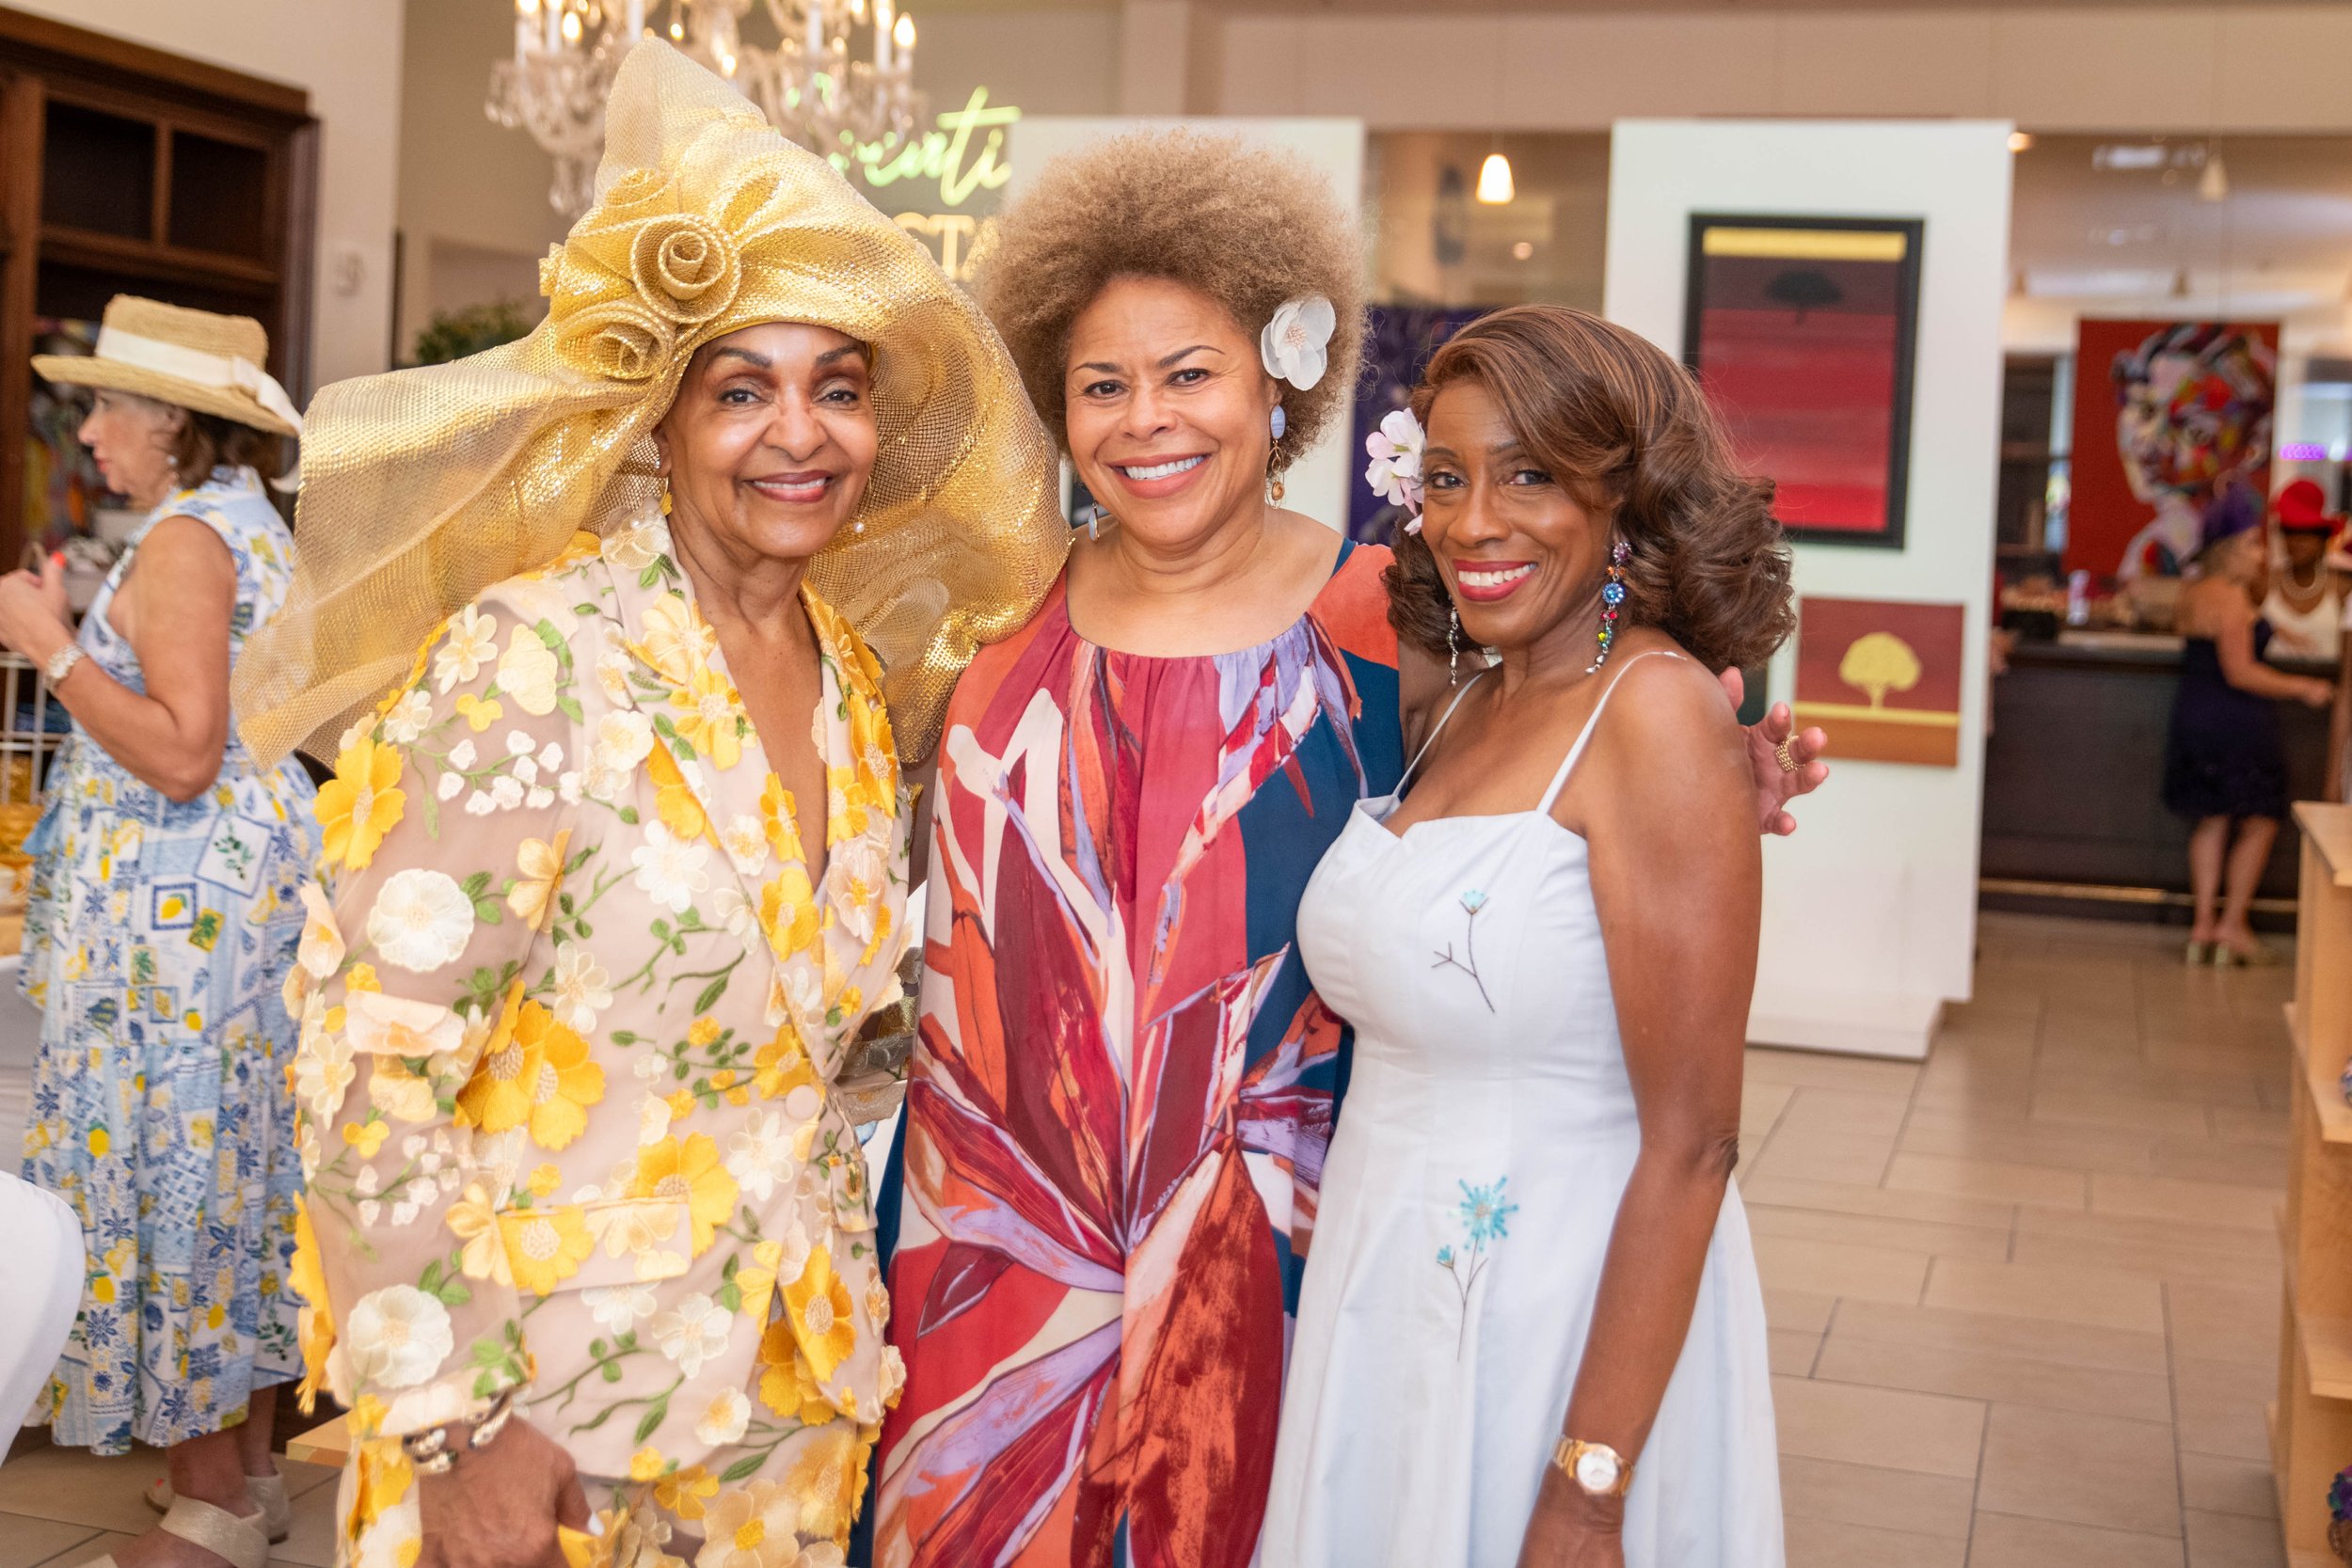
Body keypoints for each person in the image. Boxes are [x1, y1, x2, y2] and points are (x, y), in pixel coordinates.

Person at [867, 133, 1826, 1568]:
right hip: (997, 1245)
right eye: (1102, 385)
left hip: (1291, 1253)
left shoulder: (1395, 617)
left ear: (1280, 376)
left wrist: (1712, 754)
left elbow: (1570, 736)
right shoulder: (986, 618)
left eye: (1189, 373)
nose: (1147, 420)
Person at [229, 44, 1065, 1568]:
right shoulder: (537, 661)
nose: (799, 435)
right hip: (538, 1429)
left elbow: (829, 1063)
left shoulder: (850, 688)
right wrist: (458, 1427)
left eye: (839, 389)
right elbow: (368, 1077)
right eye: (742, 391)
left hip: (783, 1415)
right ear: (658, 425)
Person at [1262, 305, 1788, 1568]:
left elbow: (1697, 1141)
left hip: (1558, 1322)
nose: (1476, 519)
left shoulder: (1651, 714)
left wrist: (1590, 1487)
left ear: (1625, 498)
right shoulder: (1463, 696)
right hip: (1386, 1293)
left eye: (1532, 475)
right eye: (1446, 478)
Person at [0, 296, 316, 1568]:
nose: (86, 433)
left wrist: (50, 645)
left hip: (182, 937)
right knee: (234, 1174)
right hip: (217, 920)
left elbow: (184, 751)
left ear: (167, 420)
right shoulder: (240, 526)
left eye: (103, 405)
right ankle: (247, 1472)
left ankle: (215, 1505)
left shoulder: (187, 540)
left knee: (183, 1182)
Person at [2166, 486, 2331, 966]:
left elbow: (2213, 638)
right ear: (2233, 548)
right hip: (2237, 719)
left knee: (2212, 820)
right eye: (2254, 544)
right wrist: (2303, 687)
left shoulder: (2193, 592)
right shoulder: (2234, 598)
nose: (2262, 553)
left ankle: (2202, 928)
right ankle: (2232, 925)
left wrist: (2276, 629)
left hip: (2193, 713)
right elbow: (2240, 671)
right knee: (2259, 820)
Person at [2263, 478, 2344, 662]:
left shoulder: (2343, 587)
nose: (2297, 542)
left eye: (2307, 533)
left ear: (2323, 538)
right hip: (2268, 687)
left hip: (2327, 685)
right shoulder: (2263, 582)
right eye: (2290, 532)